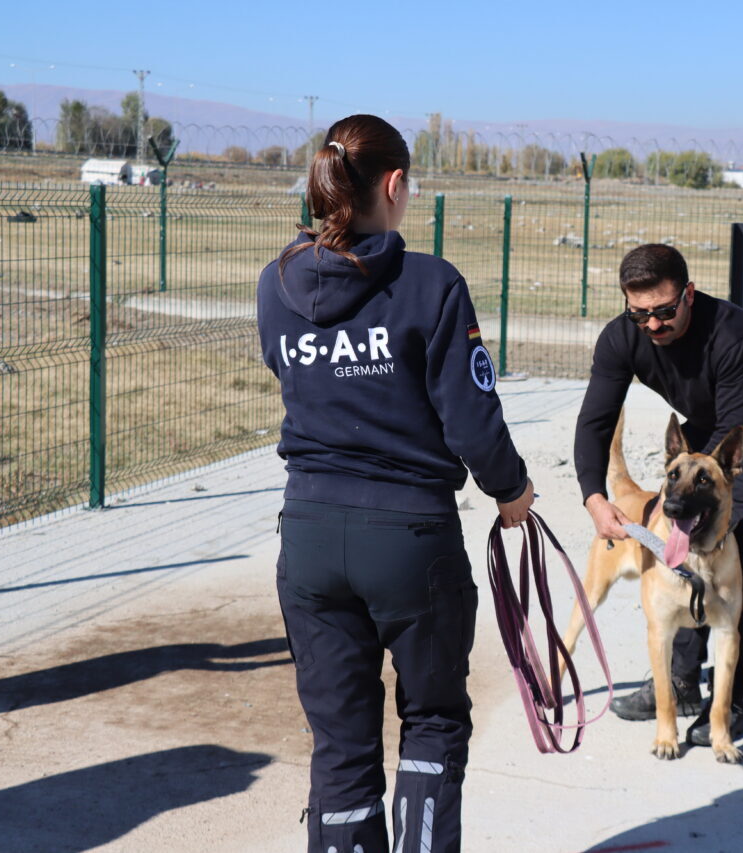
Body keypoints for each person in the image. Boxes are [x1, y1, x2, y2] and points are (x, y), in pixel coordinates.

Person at [257, 114, 534, 853]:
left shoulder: (276, 283)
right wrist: (512, 491)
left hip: (309, 535)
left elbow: (291, 376)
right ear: (395, 184)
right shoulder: (431, 284)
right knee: (433, 721)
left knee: (341, 744)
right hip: (411, 538)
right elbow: (471, 418)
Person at [574, 243, 743, 747]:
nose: (652, 325)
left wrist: (689, 512)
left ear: (689, 295)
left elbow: (729, 443)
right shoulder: (621, 338)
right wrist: (594, 496)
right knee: (681, 550)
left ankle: (736, 696)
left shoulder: (733, 337)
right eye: (639, 314)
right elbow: (595, 422)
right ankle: (680, 684)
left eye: (663, 311)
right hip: (704, 420)